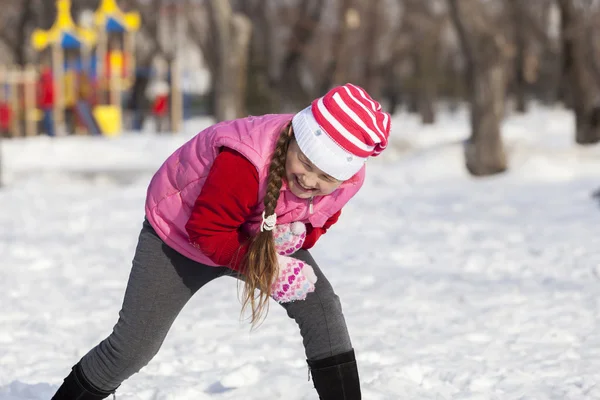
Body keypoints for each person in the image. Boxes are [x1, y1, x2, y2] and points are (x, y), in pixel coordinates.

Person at [51, 83, 391, 400]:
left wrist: (300, 234)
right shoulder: (245, 160)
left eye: (326, 177)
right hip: (180, 235)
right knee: (133, 348)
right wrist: (266, 269)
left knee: (321, 306)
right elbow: (207, 232)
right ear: (295, 138)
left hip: (257, 233)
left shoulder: (348, 181)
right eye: (304, 161)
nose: (309, 179)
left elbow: (323, 216)